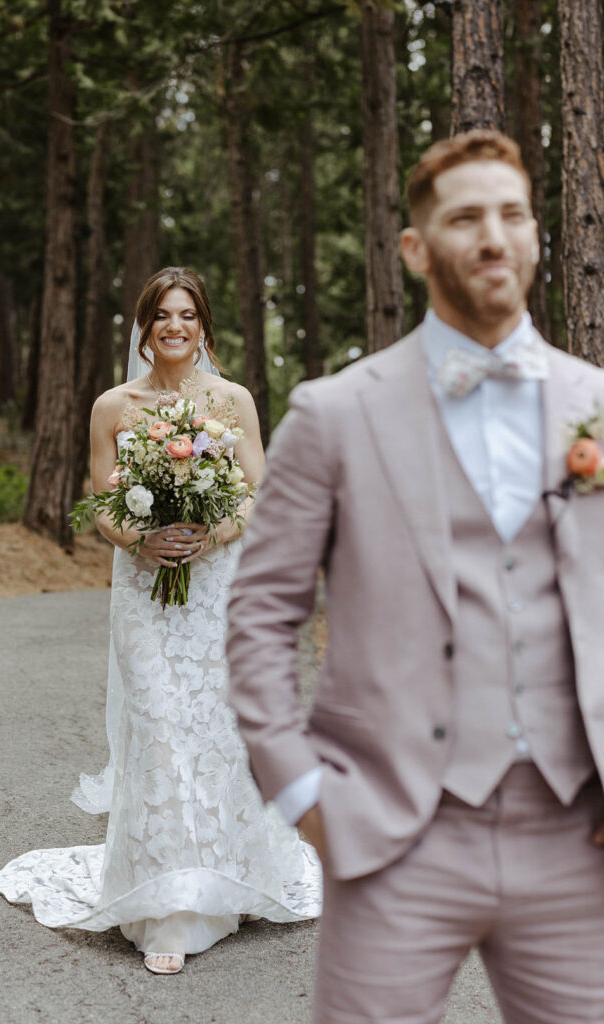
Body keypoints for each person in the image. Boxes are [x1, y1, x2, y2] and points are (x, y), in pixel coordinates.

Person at [226, 132, 604, 1023]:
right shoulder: (333, 413)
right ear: (413, 247)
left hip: (574, 836)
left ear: (536, 236)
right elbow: (259, 613)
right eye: (465, 217)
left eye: (511, 215)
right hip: (397, 830)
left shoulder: (593, 400)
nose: (492, 238)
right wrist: (300, 788)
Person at [0, 266, 321, 975]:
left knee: (211, 727)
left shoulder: (231, 400)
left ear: (203, 326)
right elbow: (103, 504)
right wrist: (142, 541)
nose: (175, 327)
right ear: (144, 326)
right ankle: (163, 906)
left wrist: (217, 533)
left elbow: (261, 494)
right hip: (142, 590)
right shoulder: (114, 404)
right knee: (160, 727)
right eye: (161, 315)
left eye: (187, 315)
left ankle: (220, 885)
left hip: (213, 588)